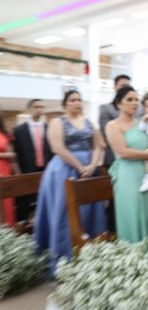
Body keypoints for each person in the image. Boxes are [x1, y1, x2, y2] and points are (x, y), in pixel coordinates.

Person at [34, 90, 107, 274]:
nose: (77, 103)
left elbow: (99, 145)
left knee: (90, 212)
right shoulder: (57, 122)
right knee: (65, 212)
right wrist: (79, 166)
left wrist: (92, 164)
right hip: (64, 170)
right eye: (73, 100)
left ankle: (89, 256)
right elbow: (57, 147)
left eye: (79, 100)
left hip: (89, 170)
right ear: (65, 104)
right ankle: (64, 259)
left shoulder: (89, 122)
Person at [106, 86, 148, 244]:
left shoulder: (142, 123)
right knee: (134, 215)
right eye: (129, 100)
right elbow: (122, 151)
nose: (134, 103)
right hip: (128, 174)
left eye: (136, 99)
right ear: (118, 103)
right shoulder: (113, 125)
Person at [12, 99, 53, 222]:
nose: (40, 109)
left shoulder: (49, 128)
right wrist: (17, 172)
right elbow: (16, 153)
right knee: (25, 203)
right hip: (27, 171)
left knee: (45, 199)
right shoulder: (18, 130)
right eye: (36, 107)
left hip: (45, 170)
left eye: (42, 107)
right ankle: (24, 229)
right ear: (29, 109)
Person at [99, 74, 135, 168]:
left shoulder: (138, 109)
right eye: (123, 86)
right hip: (114, 157)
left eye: (128, 86)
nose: (126, 88)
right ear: (114, 87)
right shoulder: (106, 109)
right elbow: (107, 136)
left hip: (136, 158)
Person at [0, 112, 16, 226]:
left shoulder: (5, 133)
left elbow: (12, 153)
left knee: (7, 202)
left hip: (6, 169)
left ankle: (9, 230)